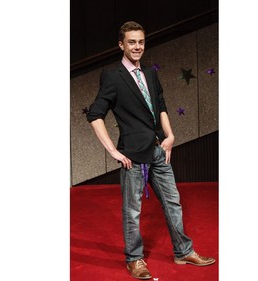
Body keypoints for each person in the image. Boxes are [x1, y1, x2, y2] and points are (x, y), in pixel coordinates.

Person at [86, 21, 215, 280]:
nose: (137, 47)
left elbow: (161, 106)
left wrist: (170, 136)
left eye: (141, 42)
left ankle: (183, 251)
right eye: (131, 42)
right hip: (132, 157)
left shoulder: (151, 74)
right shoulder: (112, 76)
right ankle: (134, 259)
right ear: (121, 44)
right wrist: (112, 150)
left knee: (173, 203)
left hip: (158, 151)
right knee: (132, 211)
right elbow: (95, 114)